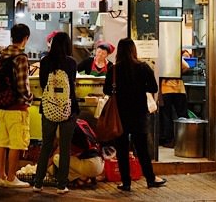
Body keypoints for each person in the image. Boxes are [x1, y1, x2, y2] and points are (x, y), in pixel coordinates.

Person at [103, 38, 165, 192]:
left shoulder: (114, 69)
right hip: (138, 113)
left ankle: (126, 183)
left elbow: (106, 90)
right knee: (142, 148)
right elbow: (153, 87)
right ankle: (150, 179)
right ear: (133, 50)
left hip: (120, 115)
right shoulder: (143, 67)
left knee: (122, 150)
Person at [33, 31, 79, 194]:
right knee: (65, 147)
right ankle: (61, 185)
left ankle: (38, 183)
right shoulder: (71, 63)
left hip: (48, 107)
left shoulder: (45, 61)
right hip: (68, 108)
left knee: (46, 145)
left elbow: (42, 83)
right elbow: (72, 84)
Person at [0, 23, 32, 188]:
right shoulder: (21, 57)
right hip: (16, 107)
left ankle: (1, 176)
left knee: (2, 141)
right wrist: (30, 98)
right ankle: (11, 178)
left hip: (1, 107)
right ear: (25, 38)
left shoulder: (1, 55)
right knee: (16, 143)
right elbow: (23, 85)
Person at [54, 118, 104, 188]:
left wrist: (43, 169)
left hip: (91, 165)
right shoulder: (82, 123)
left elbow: (62, 151)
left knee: (56, 158)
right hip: (101, 164)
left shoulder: (66, 127)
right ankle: (87, 177)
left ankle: (82, 178)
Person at [159, 56, 190, 148]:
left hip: (166, 89)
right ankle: (185, 139)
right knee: (182, 115)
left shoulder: (163, 58)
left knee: (167, 116)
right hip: (179, 89)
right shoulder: (176, 57)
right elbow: (187, 66)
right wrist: (178, 74)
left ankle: (169, 140)